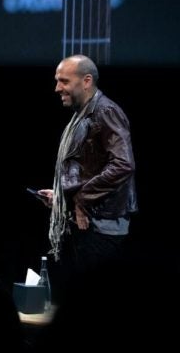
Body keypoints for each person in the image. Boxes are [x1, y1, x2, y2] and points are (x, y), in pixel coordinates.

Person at [37, 54, 137, 289]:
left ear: (87, 81)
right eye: (57, 80)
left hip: (101, 228)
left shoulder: (105, 111)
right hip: (86, 225)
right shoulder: (83, 115)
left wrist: (81, 197)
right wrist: (63, 197)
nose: (57, 88)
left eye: (64, 81)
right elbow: (86, 167)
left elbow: (123, 165)